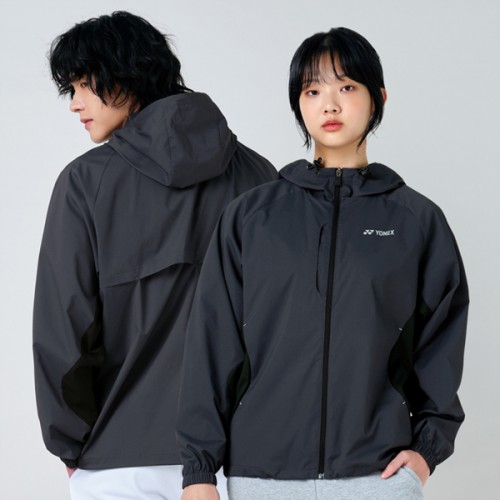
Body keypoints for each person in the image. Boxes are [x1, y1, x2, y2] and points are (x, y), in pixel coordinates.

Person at [177, 27, 468, 500]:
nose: (329, 105)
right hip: (262, 474)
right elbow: (213, 342)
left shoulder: (415, 220)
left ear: (378, 98)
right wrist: (198, 472)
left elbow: (441, 342)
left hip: (378, 475)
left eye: (346, 87)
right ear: (299, 103)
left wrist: (426, 451)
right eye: (313, 91)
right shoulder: (252, 217)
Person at [33, 11, 276, 500]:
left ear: (126, 75)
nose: (75, 103)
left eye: (83, 84)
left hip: (121, 461)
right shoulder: (259, 177)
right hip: (243, 458)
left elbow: (64, 334)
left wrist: (71, 444)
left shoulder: (84, 183)